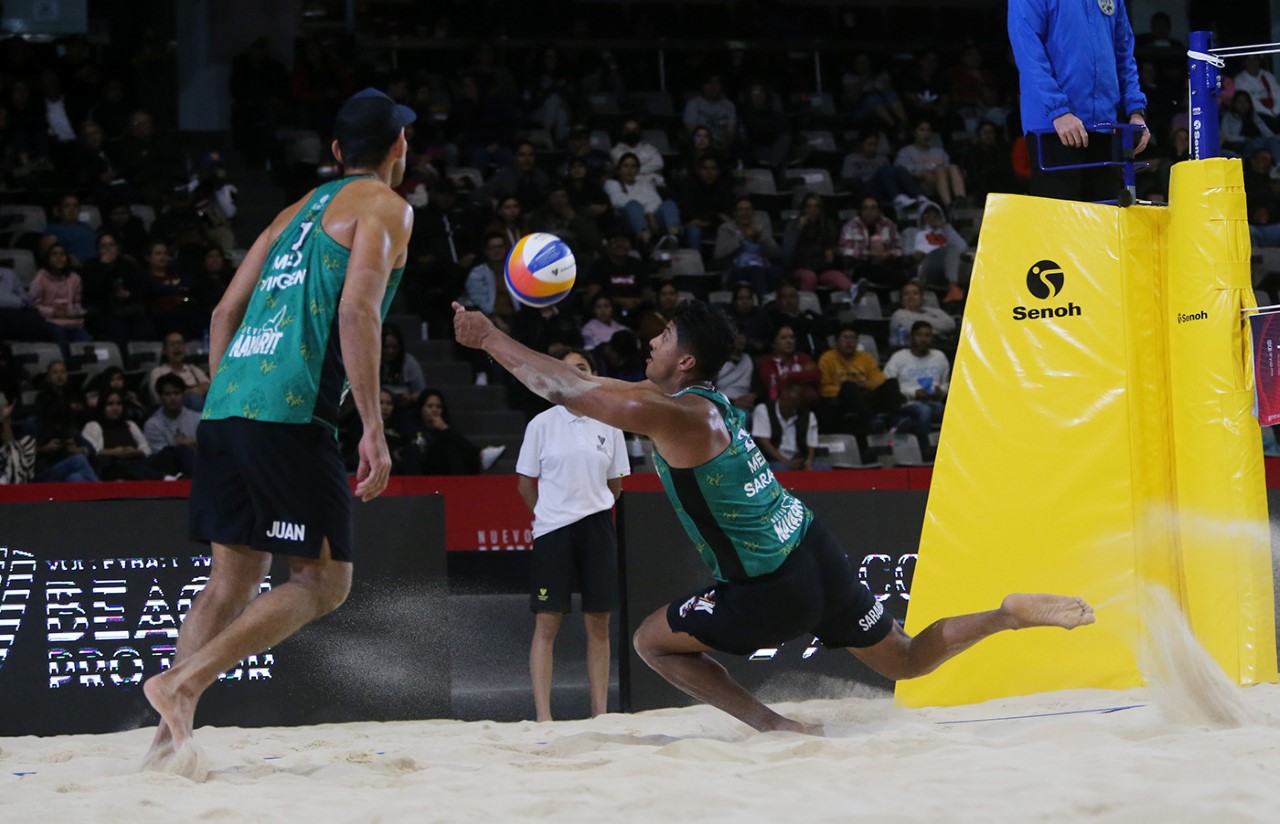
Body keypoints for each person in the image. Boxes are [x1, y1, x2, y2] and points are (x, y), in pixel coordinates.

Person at [452, 298, 1095, 732]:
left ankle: (771, 725)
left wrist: (489, 339)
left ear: (687, 361)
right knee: (906, 660)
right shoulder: (697, 400)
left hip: (772, 585)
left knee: (650, 641)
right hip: (815, 547)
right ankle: (1006, 615)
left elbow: (569, 390)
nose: (651, 339)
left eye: (665, 336)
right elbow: (602, 390)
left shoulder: (673, 413)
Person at [142, 87, 415, 768]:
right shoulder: (386, 206)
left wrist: (231, 390)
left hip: (229, 405)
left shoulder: (292, 212)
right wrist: (374, 427)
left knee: (230, 581)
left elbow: (220, 317)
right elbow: (358, 312)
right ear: (398, 148)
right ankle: (183, 682)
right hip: (289, 412)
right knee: (325, 581)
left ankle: (166, 738)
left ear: (333, 152)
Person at [516, 349, 629, 721]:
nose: (573, 372)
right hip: (553, 530)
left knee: (599, 622)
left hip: (597, 527)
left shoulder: (609, 423)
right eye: (565, 366)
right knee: (547, 622)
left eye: (581, 367)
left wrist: (591, 508)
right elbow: (525, 483)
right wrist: (549, 514)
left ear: (593, 375)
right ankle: (543, 717)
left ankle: (600, 713)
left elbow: (615, 485)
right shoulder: (541, 424)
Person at [1008, 0, 1149, 201]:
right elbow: (1029, 56)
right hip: (1054, 129)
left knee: (1102, 224)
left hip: (1105, 126)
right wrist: (1059, 110)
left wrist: (1135, 111)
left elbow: (1124, 53)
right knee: (1060, 225)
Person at [883, 321, 950, 460]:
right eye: (919, 335)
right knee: (923, 411)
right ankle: (924, 450)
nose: (924, 339)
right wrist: (913, 392)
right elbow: (887, 384)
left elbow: (946, 384)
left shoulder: (939, 357)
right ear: (911, 337)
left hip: (932, 401)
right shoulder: (899, 357)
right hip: (907, 403)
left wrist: (941, 391)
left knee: (951, 413)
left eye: (927, 335)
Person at [751, 382, 823, 472]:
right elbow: (764, 443)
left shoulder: (808, 415)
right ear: (781, 399)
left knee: (823, 468)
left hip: (799, 458)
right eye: (788, 403)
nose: (790, 408)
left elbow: (811, 444)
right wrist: (787, 462)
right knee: (780, 468)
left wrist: (809, 461)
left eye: (794, 405)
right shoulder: (764, 410)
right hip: (773, 460)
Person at [147, 331, 211, 409]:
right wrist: (192, 392)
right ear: (164, 350)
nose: (177, 347)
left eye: (180, 343)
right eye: (172, 344)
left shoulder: (192, 369)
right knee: (195, 400)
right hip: (172, 411)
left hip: (200, 409)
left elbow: (209, 387)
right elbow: (158, 398)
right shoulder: (158, 372)